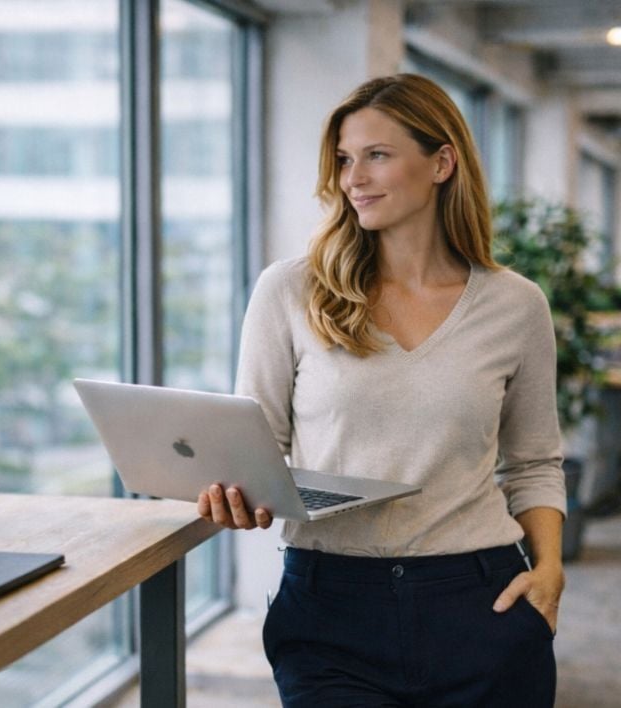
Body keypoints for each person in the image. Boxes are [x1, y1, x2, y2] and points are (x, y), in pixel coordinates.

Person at [197, 73, 566, 706]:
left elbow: (533, 461)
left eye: (377, 155)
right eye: (344, 159)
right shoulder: (290, 292)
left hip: (479, 600)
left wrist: (551, 573)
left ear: (442, 163)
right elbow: (255, 447)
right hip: (329, 608)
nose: (352, 178)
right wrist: (233, 491)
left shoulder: (515, 305)